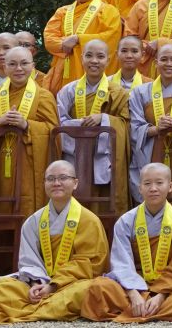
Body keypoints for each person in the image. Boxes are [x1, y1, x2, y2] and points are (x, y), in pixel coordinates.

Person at [0, 160, 110, 323]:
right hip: (41, 283)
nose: (56, 183)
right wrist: (37, 284)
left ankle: (28, 309)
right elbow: (29, 261)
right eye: (50, 179)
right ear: (44, 184)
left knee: (90, 289)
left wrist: (53, 285)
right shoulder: (34, 221)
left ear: (75, 183)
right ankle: (47, 307)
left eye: (63, 178)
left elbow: (90, 264)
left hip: (72, 284)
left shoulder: (89, 220)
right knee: (0, 287)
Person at [81, 163, 172, 323]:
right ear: (140, 188)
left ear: (170, 186)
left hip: (170, 287)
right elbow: (122, 263)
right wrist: (133, 293)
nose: (153, 188)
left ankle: (138, 310)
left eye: (159, 183)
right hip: (134, 283)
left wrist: (161, 295)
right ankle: (148, 310)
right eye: (147, 183)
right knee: (99, 287)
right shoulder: (126, 221)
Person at [0, 46, 59, 215]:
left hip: (29, 162)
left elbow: (53, 132)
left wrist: (26, 125)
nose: (18, 68)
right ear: (4, 67)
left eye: (24, 63)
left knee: (27, 205)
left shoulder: (44, 96)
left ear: (33, 66)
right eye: (12, 64)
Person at [54, 38, 131, 209]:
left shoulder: (118, 93)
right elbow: (59, 124)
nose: (94, 61)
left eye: (100, 56)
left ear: (108, 60)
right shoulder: (68, 91)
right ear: (82, 58)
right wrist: (83, 125)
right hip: (74, 156)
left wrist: (104, 119)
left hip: (105, 159)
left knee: (102, 206)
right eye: (89, 56)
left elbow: (126, 125)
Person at [43, 0, 123, 94]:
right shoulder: (62, 12)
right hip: (64, 74)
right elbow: (49, 40)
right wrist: (64, 44)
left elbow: (110, 38)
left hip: (95, 73)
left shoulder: (109, 11)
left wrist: (78, 39)